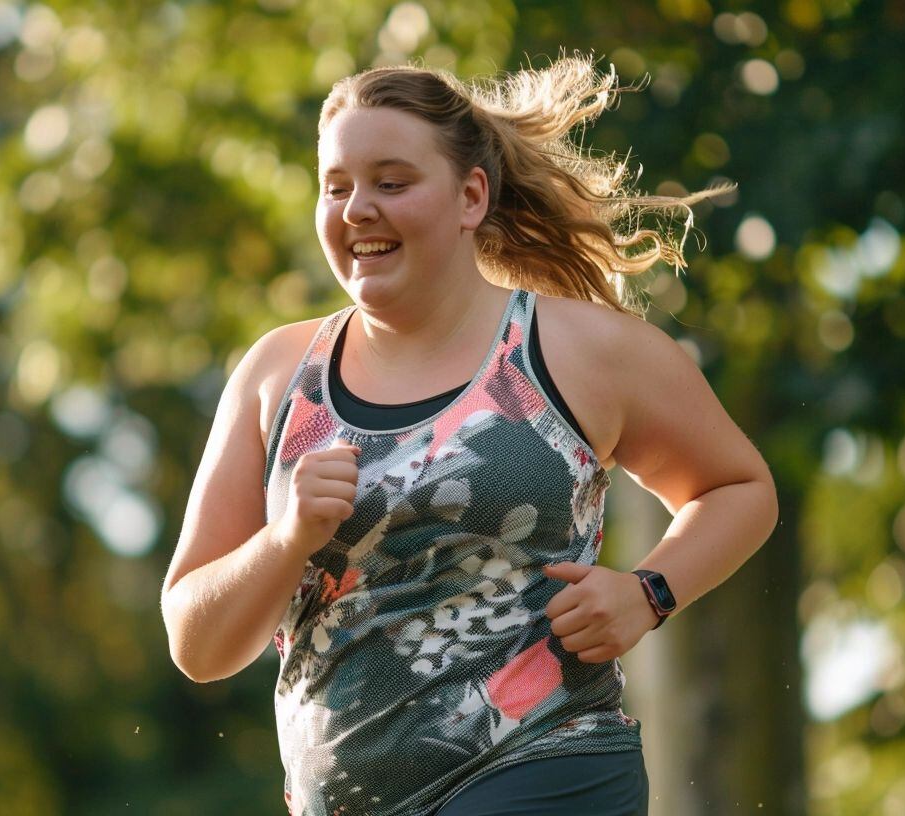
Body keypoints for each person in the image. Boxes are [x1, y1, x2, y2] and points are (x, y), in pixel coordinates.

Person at [161, 53, 779, 816]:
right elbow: (196, 642)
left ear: (471, 196)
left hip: (546, 765)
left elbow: (739, 488)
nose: (357, 208)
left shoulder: (579, 350)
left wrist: (648, 591)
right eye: (336, 187)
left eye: (391, 182)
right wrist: (285, 539)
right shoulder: (277, 375)